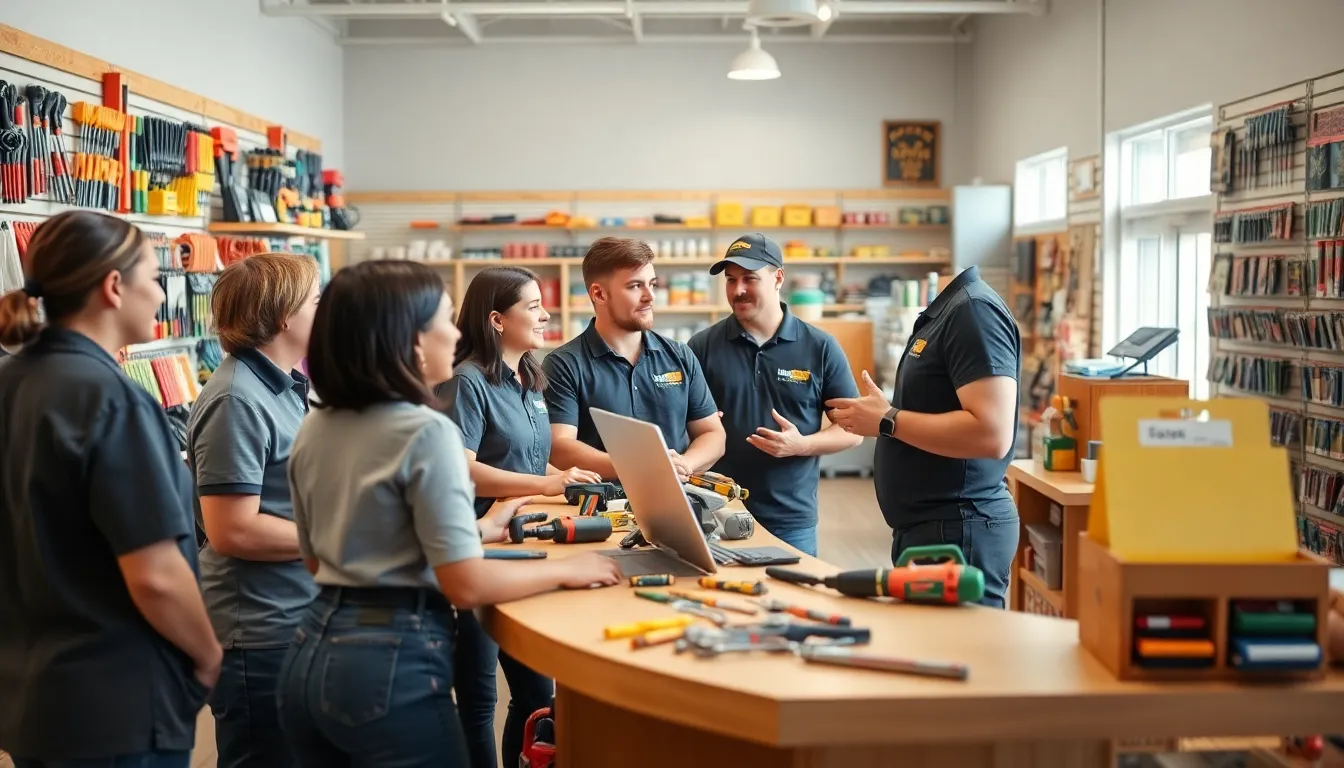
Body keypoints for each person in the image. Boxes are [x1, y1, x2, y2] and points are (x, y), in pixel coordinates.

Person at [277, 260, 621, 767]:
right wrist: (571, 570)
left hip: (310, 651)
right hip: (391, 664)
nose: (456, 333)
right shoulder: (425, 431)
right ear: (412, 340)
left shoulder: (318, 425)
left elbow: (318, 557)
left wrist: (476, 530)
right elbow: (465, 585)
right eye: (443, 320)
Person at [0, 211, 221, 768]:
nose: (161, 292)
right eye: (154, 276)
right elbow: (155, 574)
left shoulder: (12, 383)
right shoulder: (109, 398)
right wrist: (207, 652)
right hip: (116, 707)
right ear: (114, 287)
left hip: (32, 701)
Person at [437, 266, 602, 768]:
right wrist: (544, 483)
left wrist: (564, 473)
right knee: (478, 698)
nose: (545, 313)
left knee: (535, 695)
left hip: (525, 547)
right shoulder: (466, 382)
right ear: (496, 320)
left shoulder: (528, 376)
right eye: (532, 306)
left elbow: (526, 456)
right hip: (479, 551)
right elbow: (463, 469)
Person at [187, 253, 321, 768]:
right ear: (286, 316)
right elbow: (232, 529)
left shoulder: (283, 387)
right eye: (315, 302)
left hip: (292, 612)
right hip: (259, 631)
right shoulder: (237, 400)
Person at [827, 266, 1021, 608]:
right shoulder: (949, 311)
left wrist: (888, 420)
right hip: (933, 529)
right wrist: (884, 414)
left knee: (961, 652)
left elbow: (992, 434)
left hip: (959, 528)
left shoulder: (973, 311)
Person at [687, 234, 862, 557]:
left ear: (778, 277)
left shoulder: (820, 347)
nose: (738, 290)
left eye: (749, 279)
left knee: (792, 604)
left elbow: (852, 431)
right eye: (730, 280)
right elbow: (681, 422)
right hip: (715, 512)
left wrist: (803, 445)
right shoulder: (701, 348)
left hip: (790, 519)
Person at [543, 237, 725, 480]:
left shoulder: (680, 356)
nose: (650, 296)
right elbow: (560, 447)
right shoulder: (564, 364)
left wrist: (681, 465)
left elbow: (713, 434)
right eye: (635, 286)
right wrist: (643, 466)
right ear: (599, 294)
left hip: (678, 497)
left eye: (652, 284)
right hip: (599, 509)